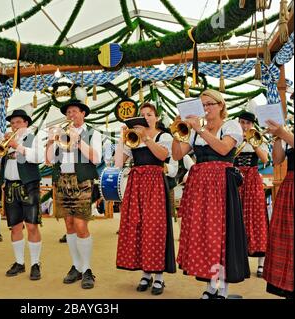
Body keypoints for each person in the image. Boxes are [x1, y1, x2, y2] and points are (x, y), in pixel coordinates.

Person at [172, 89, 250, 299]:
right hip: (200, 188)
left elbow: (224, 149)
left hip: (221, 186)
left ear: (221, 105)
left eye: (209, 104)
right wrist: (177, 133)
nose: (206, 108)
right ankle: (210, 287)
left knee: (221, 236)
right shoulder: (197, 132)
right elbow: (177, 154)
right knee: (205, 235)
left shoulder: (230, 125)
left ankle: (222, 289)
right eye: (203, 105)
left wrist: (200, 128)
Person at [114, 103, 176, 295]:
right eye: (142, 115)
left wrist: (146, 138)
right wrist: (121, 139)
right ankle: (146, 273)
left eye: (150, 114)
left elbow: (163, 156)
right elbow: (118, 164)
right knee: (138, 226)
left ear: (156, 117)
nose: (146, 117)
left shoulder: (163, 136)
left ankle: (159, 276)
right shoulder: (133, 138)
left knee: (154, 228)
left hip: (155, 183)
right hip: (136, 183)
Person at [45, 88, 102, 289]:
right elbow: (49, 160)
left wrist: (78, 143)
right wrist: (51, 141)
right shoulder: (61, 134)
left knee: (80, 225)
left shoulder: (92, 133)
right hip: (63, 181)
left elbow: (97, 158)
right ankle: (76, 266)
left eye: (74, 111)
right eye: (68, 112)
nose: (71, 115)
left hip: (82, 181)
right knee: (69, 225)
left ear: (83, 113)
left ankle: (87, 269)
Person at [0, 109, 45, 281]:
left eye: (17, 122)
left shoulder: (33, 138)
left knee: (32, 226)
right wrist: (1, 146)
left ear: (26, 123)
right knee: (15, 226)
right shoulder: (7, 140)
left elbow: (39, 157)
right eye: (12, 122)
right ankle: (19, 262)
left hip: (29, 185)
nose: (14, 125)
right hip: (10, 186)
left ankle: (35, 263)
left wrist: (18, 147)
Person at [234, 111, 269, 277]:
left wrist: (254, 143)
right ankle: (241, 260)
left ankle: (261, 262)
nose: (245, 126)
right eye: (242, 122)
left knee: (257, 218)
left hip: (253, 180)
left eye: (248, 123)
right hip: (236, 179)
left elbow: (265, 160)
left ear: (253, 125)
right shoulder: (232, 138)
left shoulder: (258, 138)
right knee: (237, 218)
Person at [263, 119, 294, 299]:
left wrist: (282, 132)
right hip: (289, 185)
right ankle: (288, 287)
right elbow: (277, 159)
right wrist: (277, 136)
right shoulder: (289, 131)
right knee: (285, 239)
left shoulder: (288, 132)